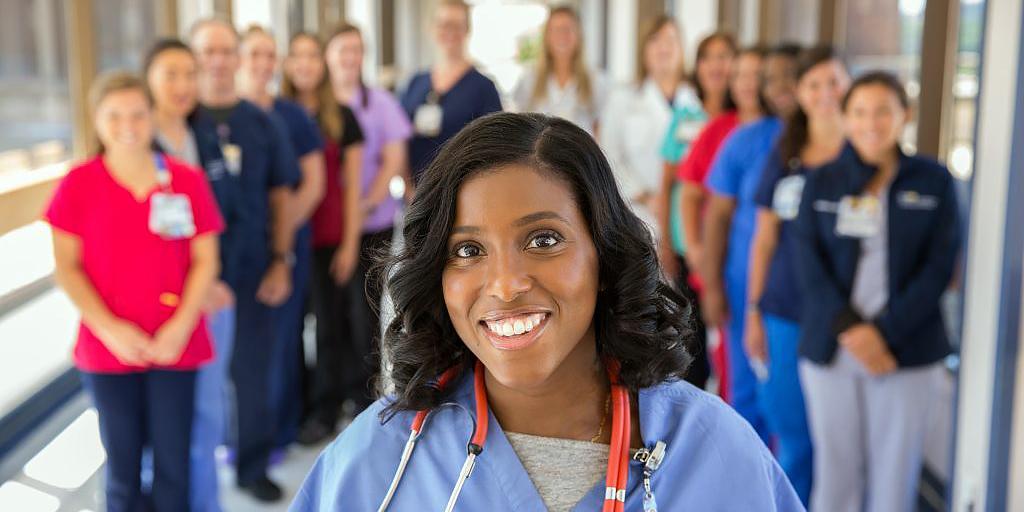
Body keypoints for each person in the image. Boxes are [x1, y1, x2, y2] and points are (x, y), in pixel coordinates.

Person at [289, 112, 803, 511]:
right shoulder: (376, 459)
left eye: (544, 240)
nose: (507, 284)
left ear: (604, 256)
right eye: (467, 250)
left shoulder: (714, 450)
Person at [46, 71, 222, 511]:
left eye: (138, 114)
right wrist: (111, 331)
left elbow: (205, 261)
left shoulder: (186, 180)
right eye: (114, 115)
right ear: (96, 120)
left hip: (175, 345)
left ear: (153, 117)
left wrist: (181, 327)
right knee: (122, 469)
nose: (128, 125)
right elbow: (67, 269)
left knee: (173, 466)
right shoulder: (78, 184)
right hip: (109, 350)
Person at [794, 71, 959, 512]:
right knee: (836, 477)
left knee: (894, 478)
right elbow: (807, 263)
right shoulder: (822, 181)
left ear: (905, 115)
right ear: (845, 118)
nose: (872, 123)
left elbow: (939, 268)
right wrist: (853, 330)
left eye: (884, 110)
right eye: (860, 111)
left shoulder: (934, 181)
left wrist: (881, 334)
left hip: (904, 351)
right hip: (833, 346)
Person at [190, 18, 301, 502]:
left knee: (252, 372)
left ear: (237, 59)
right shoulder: (180, 123)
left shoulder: (262, 123)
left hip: (254, 268)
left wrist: (281, 260)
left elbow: (281, 196)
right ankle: (193, 470)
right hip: (193, 277)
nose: (217, 61)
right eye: (207, 52)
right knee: (194, 381)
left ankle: (251, 463)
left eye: (224, 51)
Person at [292, 23, 412, 442]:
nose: (349, 58)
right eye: (341, 50)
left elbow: (394, 159)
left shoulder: (378, 103)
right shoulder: (312, 107)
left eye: (356, 51)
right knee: (328, 321)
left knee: (363, 318)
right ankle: (330, 401)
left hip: (370, 228)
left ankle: (364, 401)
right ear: (328, 57)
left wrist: (361, 206)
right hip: (322, 232)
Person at [744, 46, 850, 506]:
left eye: (834, 82)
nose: (825, 94)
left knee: (841, 445)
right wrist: (752, 313)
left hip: (849, 319)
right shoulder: (785, 155)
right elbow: (764, 241)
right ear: (800, 95)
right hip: (785, 312)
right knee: (794, 437)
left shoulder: (867, 154)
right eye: (814, 85)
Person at [144, 37, 239, 512]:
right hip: (158, 306)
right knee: (156, 426)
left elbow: (214, 220)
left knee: (207, 418)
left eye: (190, 73)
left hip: (211, 299)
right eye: (170, 74)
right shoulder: (137, 146)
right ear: (149, 81)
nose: (183, 85)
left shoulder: (204, 135)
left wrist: (212, 281)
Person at [598, 16, 707, 388]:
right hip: (638, 213)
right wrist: (647, 193)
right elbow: (608, 156)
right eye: (656, 41)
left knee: (690, 320)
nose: (664, 49)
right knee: (644, 312)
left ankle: (685, 391)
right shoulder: (623, 100)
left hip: (689, 224)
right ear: (644, 51)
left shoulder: (698, 101)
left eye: (672, 41)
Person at [701, 44, 800, 441]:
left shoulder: (821, 141)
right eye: (769, 79)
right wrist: (711, 288)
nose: (778, 88)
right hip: (745, 287)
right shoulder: (746, 140)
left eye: (787, 76)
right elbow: (717, 216)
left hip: (801, 294)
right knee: (746, 396)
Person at [238, 24, 326, 451]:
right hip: (235, 252)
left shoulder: (291, 116)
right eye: (253, 54)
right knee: (241, 346)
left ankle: (282, 429)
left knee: (284, 339)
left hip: (286, 246)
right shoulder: (218, 114)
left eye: (268, 55)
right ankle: (244, 433)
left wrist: (279, 240)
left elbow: (311, 186)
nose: (261, 64)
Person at [280, 28, 369, 444]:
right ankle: (306, 405)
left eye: (312, 56)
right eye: (296, 56)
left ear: (323, 65)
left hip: (331, 237)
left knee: (333, 326)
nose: (305, 65)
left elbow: (353, 185)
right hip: (287, 240)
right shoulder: (275, 114)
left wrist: (351, 242)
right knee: (294, 331)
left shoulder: (343, 117)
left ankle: (335, 405)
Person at [399, 0, 502, 184]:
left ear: (467, 30)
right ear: (431, 28)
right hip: (417, 197)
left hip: (462, 195)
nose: (450, 31)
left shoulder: (483, 88)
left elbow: (494, 150)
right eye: (443, 24)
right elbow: (399, 139)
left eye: (457, 25)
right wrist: (408, 190)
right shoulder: (415, 83)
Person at [511, 5, 608, 134]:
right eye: (556, 30)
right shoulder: (529, 80)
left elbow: (601, 130)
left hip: (580, 153)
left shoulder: (597, 81)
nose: (562, 36)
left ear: (579, 35)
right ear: (546, 36)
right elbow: (520, 126)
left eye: (568, 29)